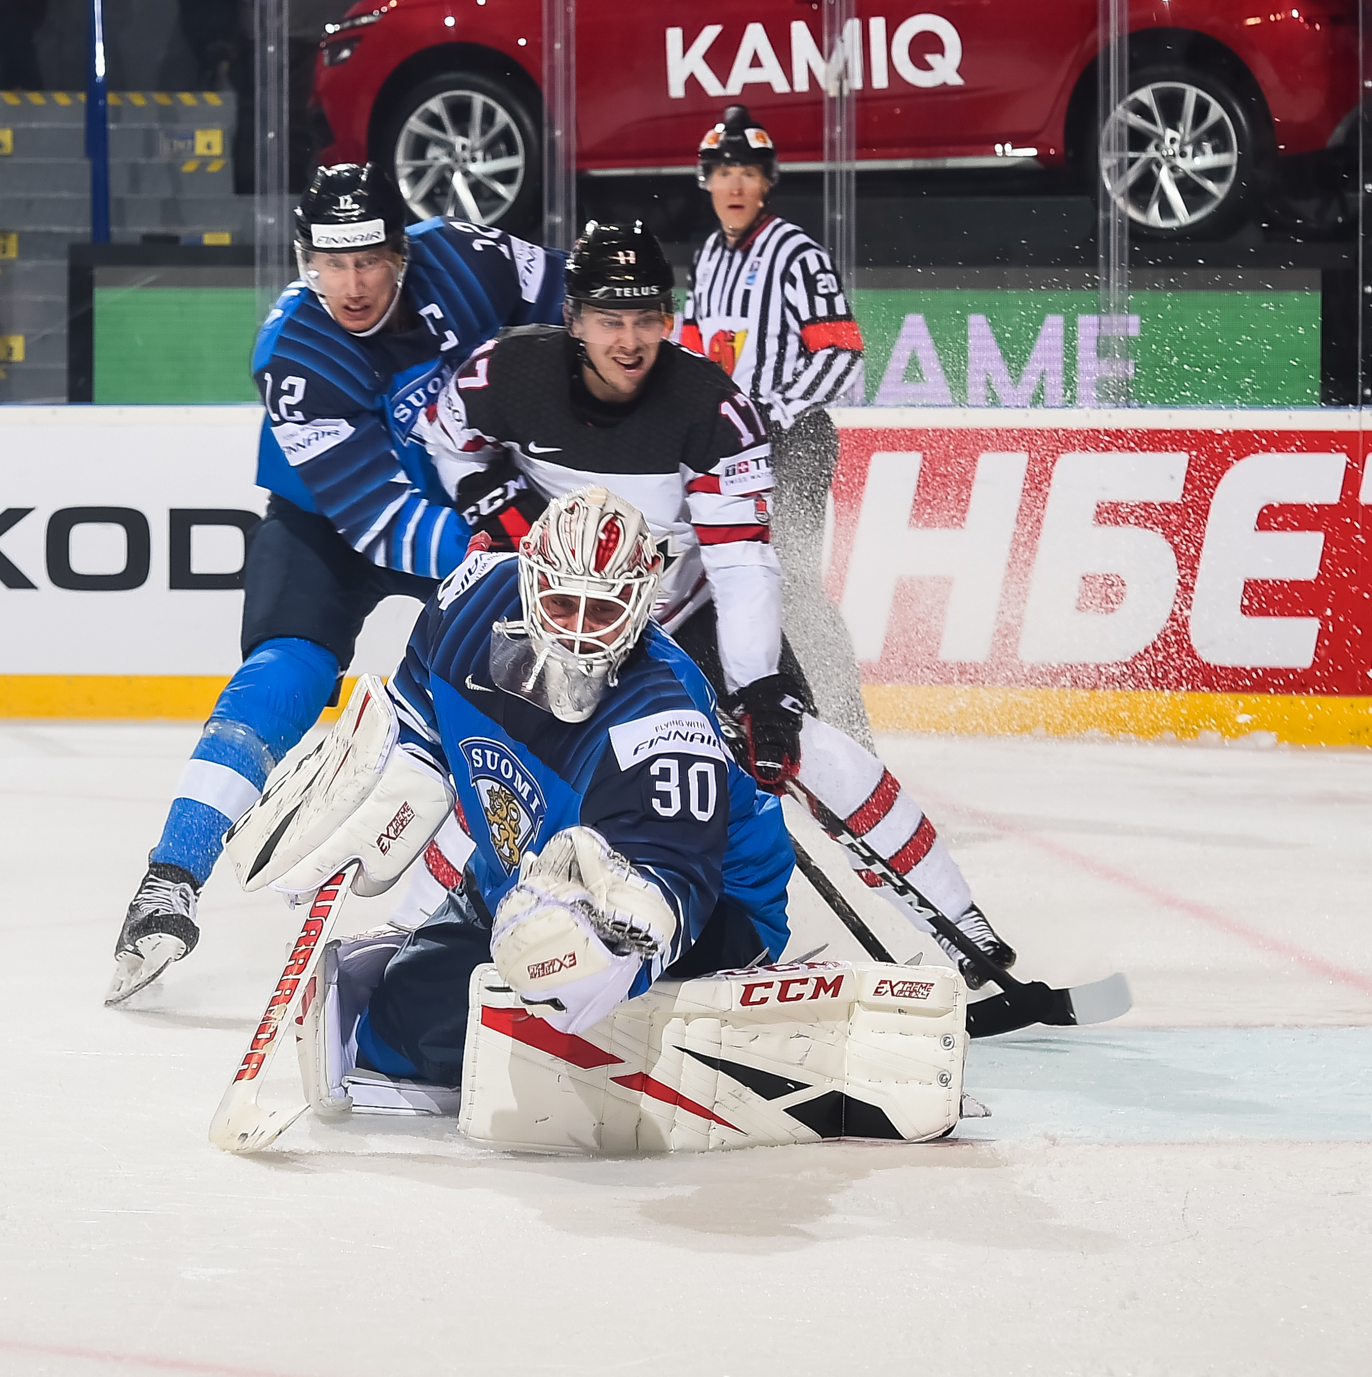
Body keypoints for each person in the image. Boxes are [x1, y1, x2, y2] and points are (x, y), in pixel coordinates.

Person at [425, 221, 1021, 987]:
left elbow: (741, 560)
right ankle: (437, 929)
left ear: (669, 320)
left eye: (647, 319)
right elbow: (446, 438)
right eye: (610, 319)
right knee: (492, 763)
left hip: (674, 623)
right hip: (559, 618)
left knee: (819, 754)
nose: (630, 339)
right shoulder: (507, 372)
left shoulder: (712, 407)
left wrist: (757, 690)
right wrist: (486, 494)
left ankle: (964, 931)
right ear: (574, 320)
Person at [104, 162, 566, 1006]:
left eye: (369, 263)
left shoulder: (468, 256)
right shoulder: (294, 350)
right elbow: (378, 520)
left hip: (464, 494)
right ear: (303, 257)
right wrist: (511, 548)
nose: (351, 286)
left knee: (518, 686)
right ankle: (169, 879)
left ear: (402, 251)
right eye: (330, 264)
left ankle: (527, 886)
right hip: (332, 519)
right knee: (284, 674)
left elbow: (578, 309)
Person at [348, 486, 796, 1082]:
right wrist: (394, 772)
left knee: (543, 1014)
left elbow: (677, 880)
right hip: (519, 870)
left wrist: (608, 959)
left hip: (712, 903)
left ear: (639, 606)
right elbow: (417, 698)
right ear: (531, 583)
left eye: (604, 612)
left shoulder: (663, 719)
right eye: (563, 605)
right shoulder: (470, 599)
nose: (579, 634)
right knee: (393, 1038)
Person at [678, 105, 872, 744]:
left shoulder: (796, 254)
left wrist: (776, 410)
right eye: (723, 171)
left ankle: (848, 734)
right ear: (706, 181)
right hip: (729, 448)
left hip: (793, 443)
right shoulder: (707, 256)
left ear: (767, 182)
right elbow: (687, 348)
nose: (734, 185)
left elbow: (842, 352)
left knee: (791, 587)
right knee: (727, 586)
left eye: (747, 173)